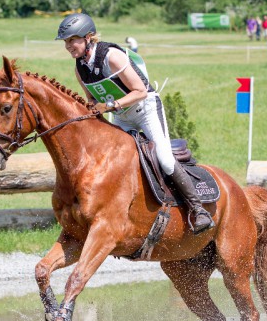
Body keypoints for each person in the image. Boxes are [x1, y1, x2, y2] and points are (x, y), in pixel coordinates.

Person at [55, 13, 214, 234]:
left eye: (72, 40)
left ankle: (199, 211)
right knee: (114, 161)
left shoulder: (112, 56)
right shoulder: (79, 68)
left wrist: (110, 106)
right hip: (121, 115)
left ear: (89, 37)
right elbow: (92, 98)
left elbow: (139, 91)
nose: (68, 46)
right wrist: (89, 109)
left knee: (165, 160)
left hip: (145, 109)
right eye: (66, 41)